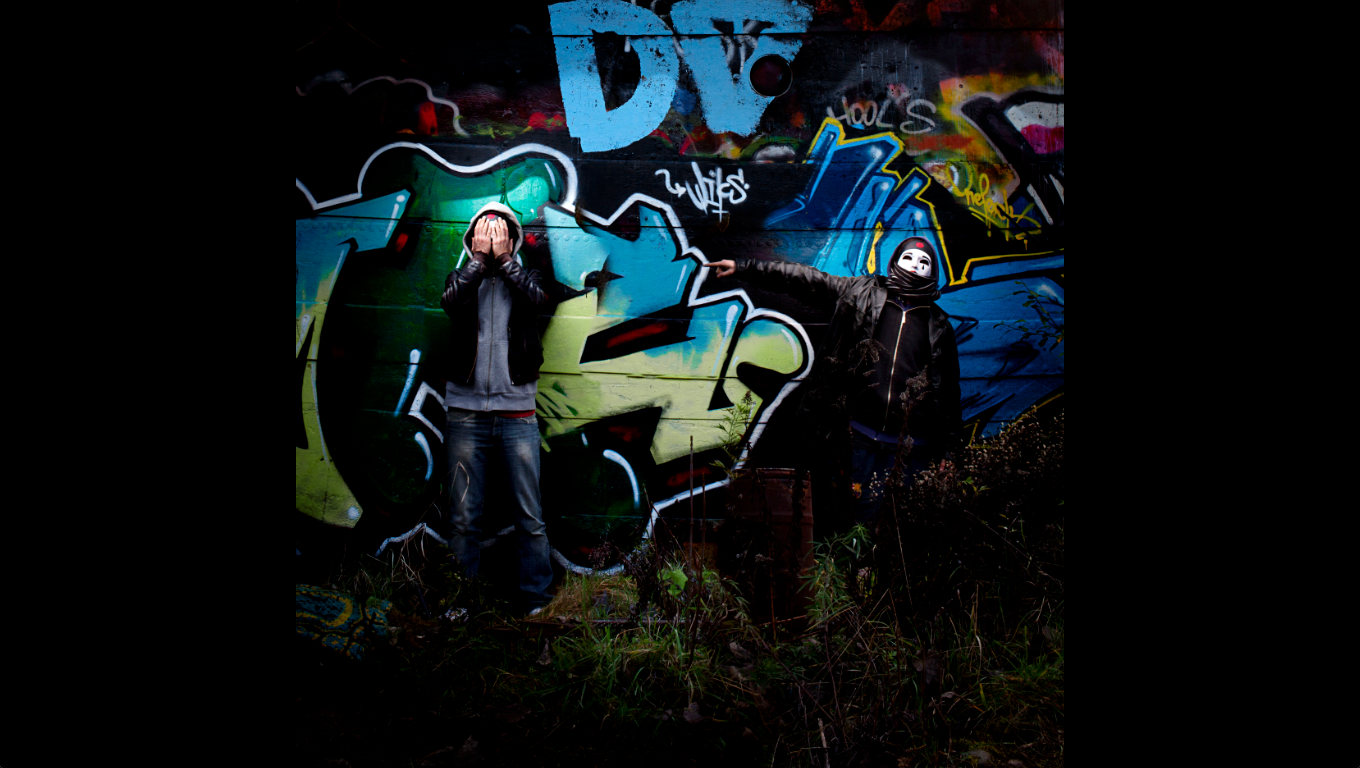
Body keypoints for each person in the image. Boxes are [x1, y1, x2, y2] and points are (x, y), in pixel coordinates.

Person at [708, 237, 962, 526]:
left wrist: (952, 451)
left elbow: (948, 394)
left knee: (901, 527)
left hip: (910, 452)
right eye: (908, 258)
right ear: (894, 262)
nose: (915, 266)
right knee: (850, 523)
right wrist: (744, 266)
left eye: (924, 262)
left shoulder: (938, 327)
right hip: (858, 442)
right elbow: (805, 279)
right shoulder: (862, 293)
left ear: (933, 273)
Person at [440, 202, 553, 616]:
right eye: (484, 232)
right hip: (465, 413)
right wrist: (477, 262)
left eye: (499, 232)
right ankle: (459, 602)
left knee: (529, 515)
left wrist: (506, 262)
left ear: (513, 237)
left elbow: (537, 302)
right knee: (463, 518)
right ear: (472, 238)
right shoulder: (461, 277)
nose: (491, 238)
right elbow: (450, 303)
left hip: (517, 413)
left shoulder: (527, 276)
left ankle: (536, 602)